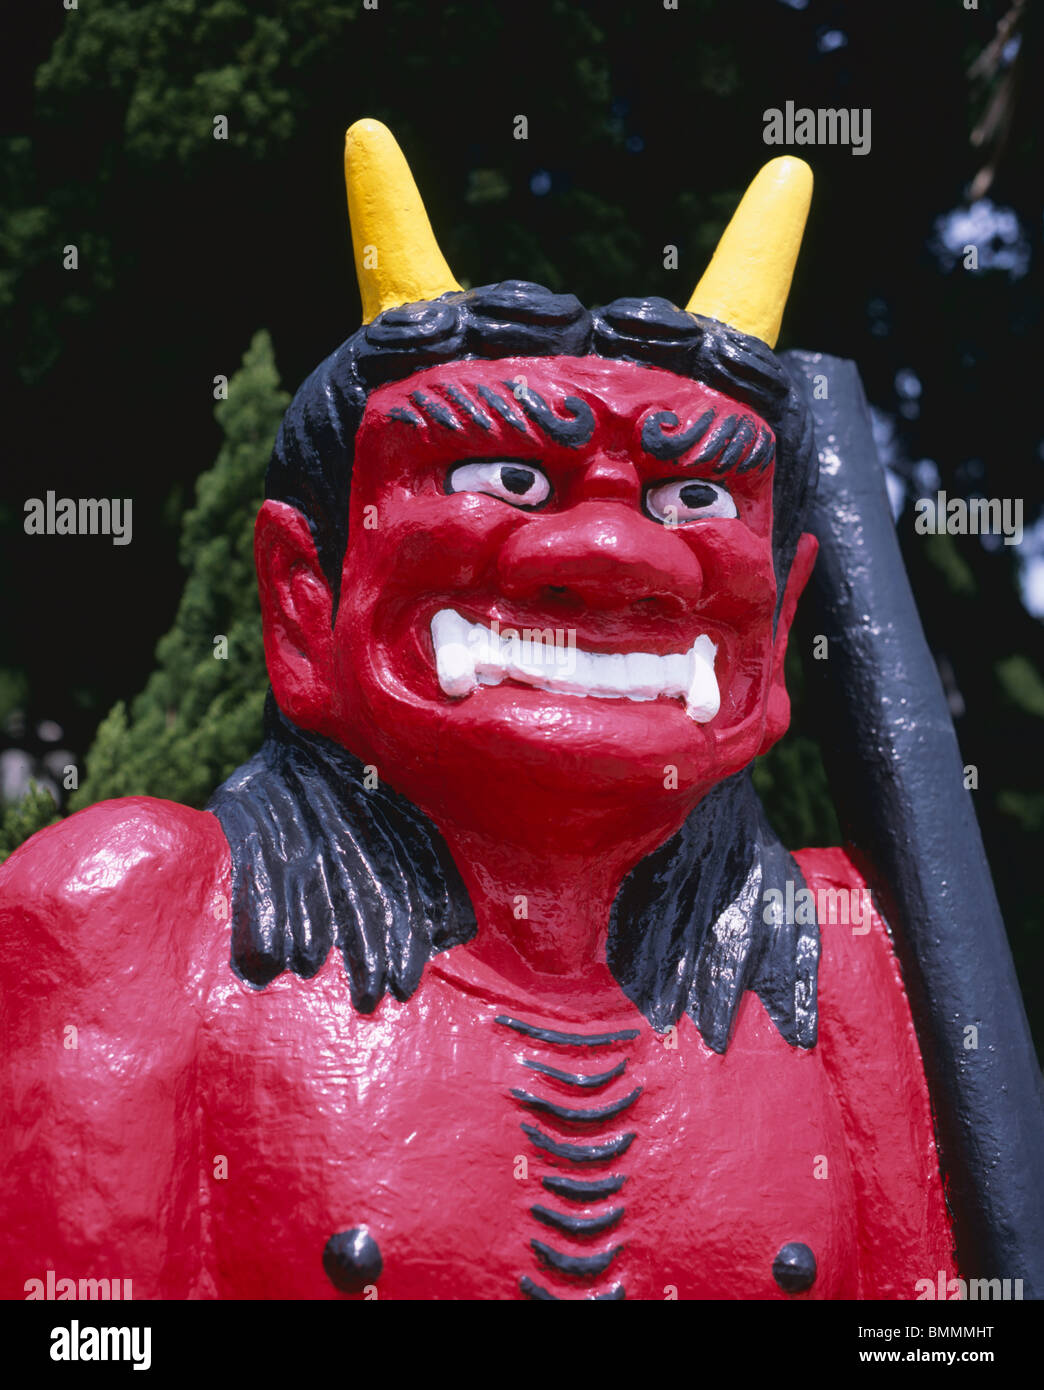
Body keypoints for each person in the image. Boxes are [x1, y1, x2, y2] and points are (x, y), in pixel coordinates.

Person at [0, 121, 956, 1301]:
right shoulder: (132, 909)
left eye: (695, 494)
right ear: (306, 596)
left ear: (779, 616)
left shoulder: (843, 951)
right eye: (500, 478)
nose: (616, 554)